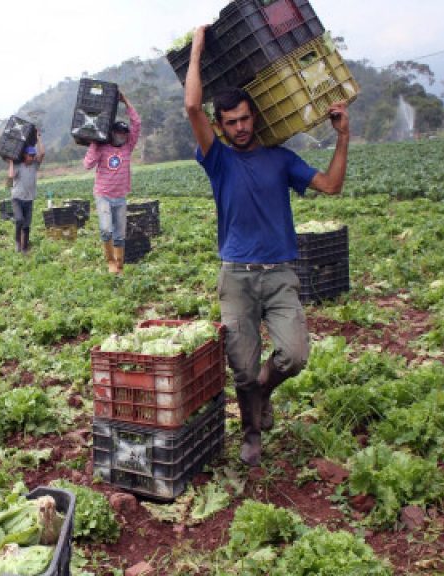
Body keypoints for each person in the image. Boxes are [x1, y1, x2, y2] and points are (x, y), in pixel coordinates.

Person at [184, 26, 351, 467]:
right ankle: (251, 431)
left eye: (245, 118)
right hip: (236, 275)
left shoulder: (281, 158)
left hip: (279, 273)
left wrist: (343, 136)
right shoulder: (217, 160)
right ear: (221, 126)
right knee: (240, 365)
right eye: (231, 122)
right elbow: (190, 106)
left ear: (254, 116)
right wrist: (197, 49)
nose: (240, 127)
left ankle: (263, 390)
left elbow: (331, 186)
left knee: (293, 356)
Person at [83, 92, 140, 274]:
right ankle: (109, 262)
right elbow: (87, 165)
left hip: (120, 196)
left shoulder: (127, 147)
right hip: (103, 195)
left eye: (125, 134)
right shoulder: (102, 147)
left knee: (120, 234)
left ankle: (119, 265)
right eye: (119, 133)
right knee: (106, 229)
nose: (122, 136)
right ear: (112, 133)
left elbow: (137, 124)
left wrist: (126, 101)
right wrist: (94, 144)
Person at [8, 130, 45, 253]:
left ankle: (24, 249)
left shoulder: (34, 165)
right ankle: (17, 241)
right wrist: (11, 162)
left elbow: (43, 153)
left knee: (27, 226)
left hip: (29, 199)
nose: (32, 157)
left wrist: (38, 138)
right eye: (30, 155)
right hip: (17, 198)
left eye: (33, 155)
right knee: (19, 220)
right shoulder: (19, 166)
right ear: (24, 155)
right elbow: (11, 175)